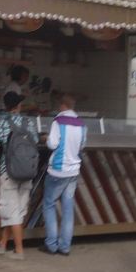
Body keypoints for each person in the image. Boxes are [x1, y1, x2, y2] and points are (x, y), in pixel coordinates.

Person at [0, 92, 38, 259]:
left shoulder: (4, 123)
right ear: (19, 106)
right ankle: (3, 244)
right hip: (27, 171)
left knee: (11, 212)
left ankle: (19, 250)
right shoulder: (29, 123)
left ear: (6, 107)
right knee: (17, 210)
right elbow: (35, 140)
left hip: (9, 172)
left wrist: (3, 145)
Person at [40, 93, 85, 256]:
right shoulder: (81, 123)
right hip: (73, 171)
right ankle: (65, 246)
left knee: (49, 204)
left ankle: (51, 244)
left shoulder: (58, 121)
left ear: (62, 105)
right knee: (67, 208)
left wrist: (45, 138)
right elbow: (81, 146)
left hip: (58, 170)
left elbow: (52, 144)